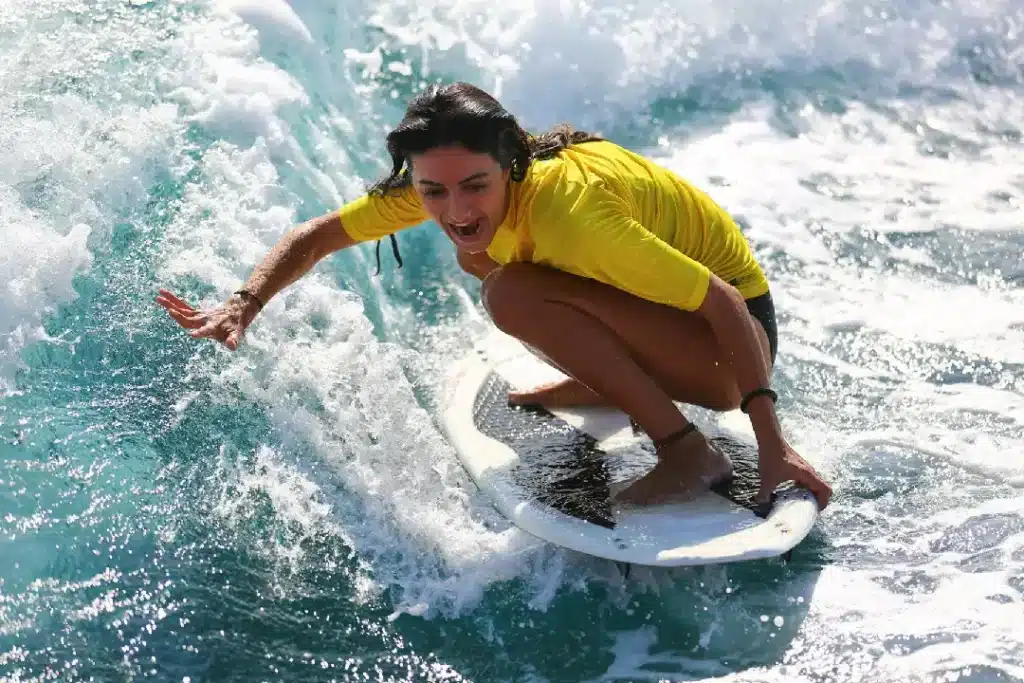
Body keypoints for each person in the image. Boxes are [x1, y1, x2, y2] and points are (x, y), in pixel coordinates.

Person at [157, 82, 832, 510]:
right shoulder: (452, 183)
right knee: (481, 256)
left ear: (510, 163)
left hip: (730, 348)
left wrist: (770, 441)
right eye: (433, 191)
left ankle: (685, 450)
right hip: (673, 321)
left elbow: (724, 303)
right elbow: (319, 235)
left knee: (512, 292)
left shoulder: (571, 214)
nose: (455, 208)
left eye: (475, 186)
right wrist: (245, 302)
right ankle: (614, 379)